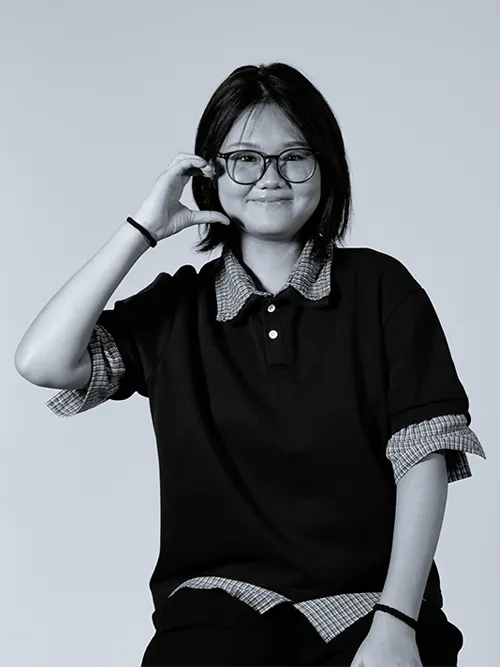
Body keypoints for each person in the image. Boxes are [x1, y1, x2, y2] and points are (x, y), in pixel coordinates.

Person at [14, 62, 486, 667]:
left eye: (294, 157)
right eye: (244, 159)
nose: (271, 178)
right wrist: (142, 230)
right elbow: (43, 361)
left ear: (326, 167)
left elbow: (423, 460)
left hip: (372, 604)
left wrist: (397, 623)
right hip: (219, 607)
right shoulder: (177, 309)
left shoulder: (382, 289)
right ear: (211, 174)